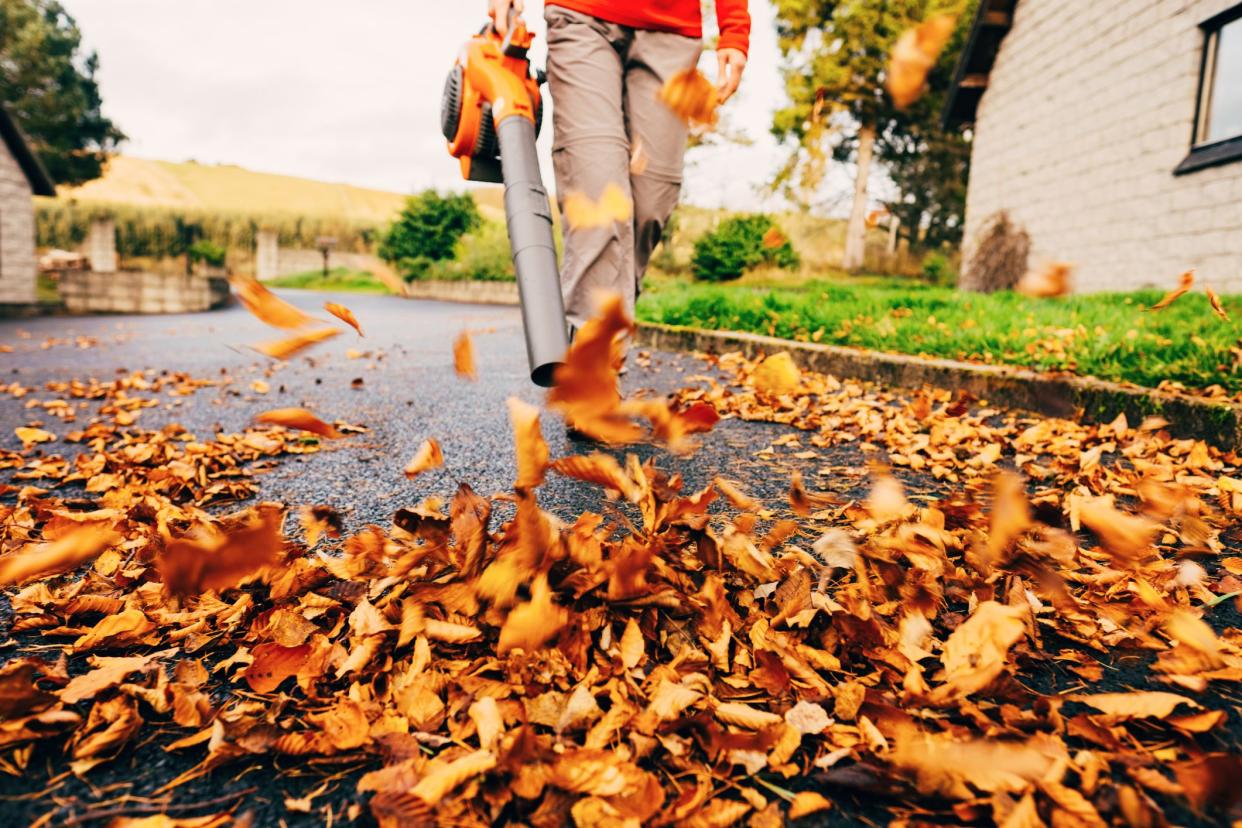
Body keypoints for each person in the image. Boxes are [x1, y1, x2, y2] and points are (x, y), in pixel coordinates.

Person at [488, 0, 750, 331]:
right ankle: (590, 364)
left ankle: (600, 348)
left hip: (673, 30)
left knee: (652, 200)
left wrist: (734, 29)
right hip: (581, 16)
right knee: (599, 195)